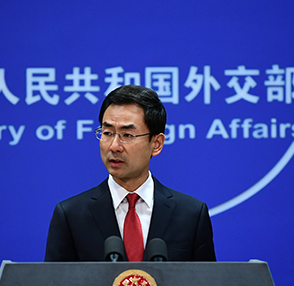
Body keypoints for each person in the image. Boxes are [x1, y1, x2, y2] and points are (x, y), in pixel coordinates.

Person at [45, 85, 216, 261]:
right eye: (107, 133)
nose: (114, 146)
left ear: (156, 144)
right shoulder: (71, 216)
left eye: (127, 135)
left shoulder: (191, 215)